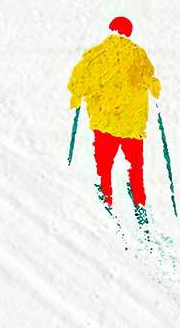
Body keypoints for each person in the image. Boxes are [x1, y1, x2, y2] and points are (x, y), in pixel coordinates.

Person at [68, 16, 161, 221]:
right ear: (129, 32)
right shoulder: (139, 55)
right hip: (132, 127)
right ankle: (139, 203)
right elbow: (148, 80)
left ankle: (106, 200)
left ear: (111, 29)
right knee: (135, 167)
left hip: (105, 124)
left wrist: (77, 97)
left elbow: (78, 83)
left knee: (104, 166)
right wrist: (154, 86)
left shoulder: (96, 55)